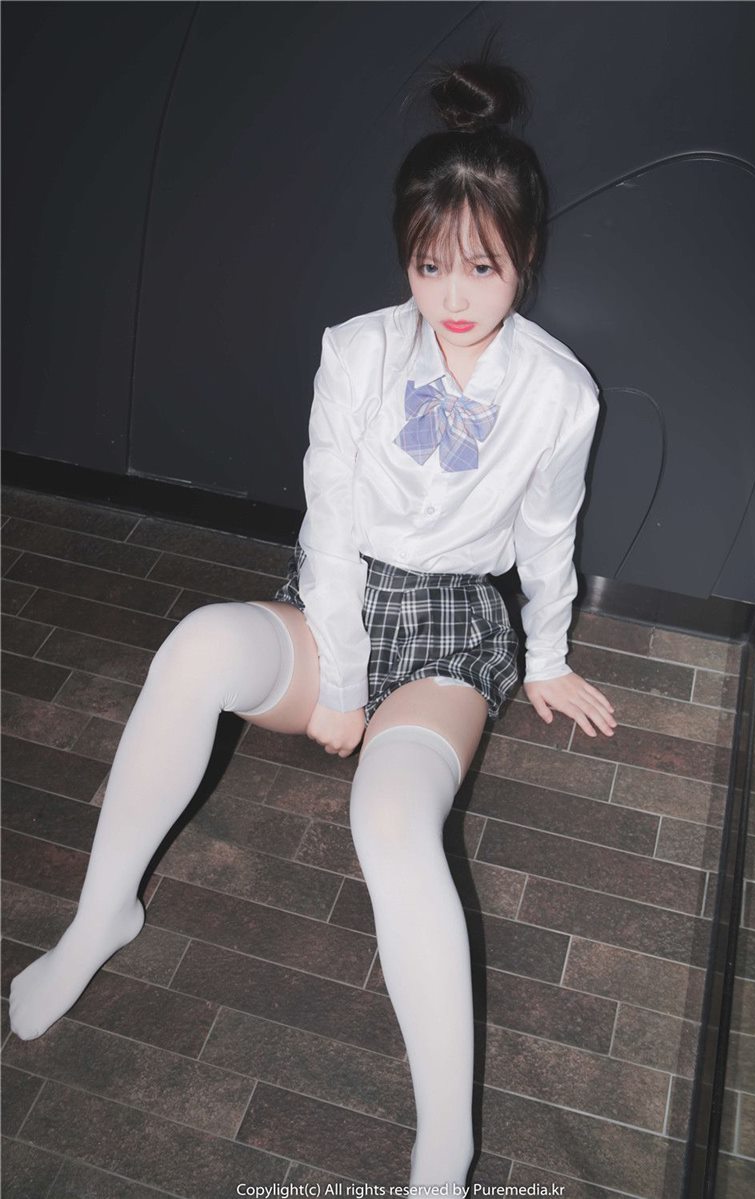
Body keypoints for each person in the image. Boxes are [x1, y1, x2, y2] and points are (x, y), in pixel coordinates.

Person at [8, 47, 616, 1191]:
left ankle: (445, 1140)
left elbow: (547, 535)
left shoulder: (558, 393)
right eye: (429, 263)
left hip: (449, 626)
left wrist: (545, 656)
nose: (451, 294)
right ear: (405, 255)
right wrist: (335, 675)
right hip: (342, 594)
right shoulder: (355, 350)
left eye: (480, 266)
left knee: (388, 817)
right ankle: (99, 917)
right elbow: (327, 517)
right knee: (196, 642)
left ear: (523, 257)